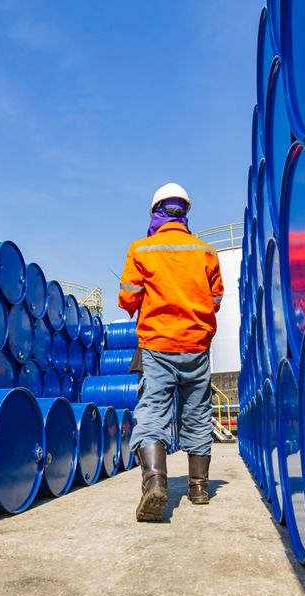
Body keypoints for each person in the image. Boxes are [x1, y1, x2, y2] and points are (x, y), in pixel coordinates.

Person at [118, 183, 224, 522]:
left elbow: (127, 298)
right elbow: (217, 300)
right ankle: (199, 489)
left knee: (152, 413)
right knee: (196, 414)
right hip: (196, 346)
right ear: (185, 212)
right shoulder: (206, 252)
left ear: (156, 212)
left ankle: (155, 481)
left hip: (158, 345)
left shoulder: (142, 249)